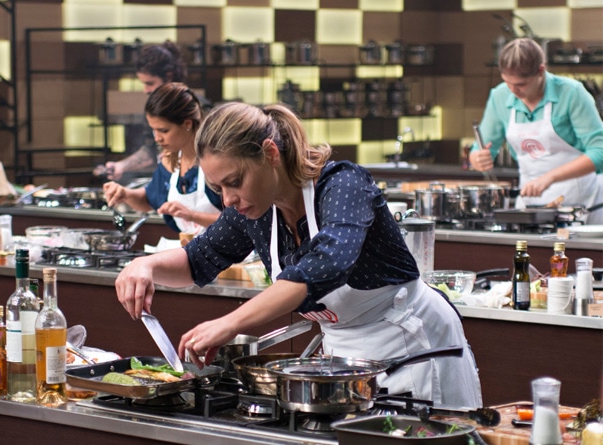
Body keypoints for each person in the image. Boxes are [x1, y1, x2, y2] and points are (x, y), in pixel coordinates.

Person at [115, 101, 484, 409]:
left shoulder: (342, 184)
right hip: (346, 365)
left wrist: (231, 323)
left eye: (234, 181)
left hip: (414, 351)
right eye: (217, 187)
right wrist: (144, 266)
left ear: (270, 154)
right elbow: (197, 260)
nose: (227, 199)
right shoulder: (255, 212)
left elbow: (325, 265)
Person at [469, 37, 603, 224]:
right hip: (529, 205)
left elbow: (599, 151)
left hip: (580, 203)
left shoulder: (571, 93)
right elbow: (479, 150)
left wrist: (549, 178)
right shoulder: (500, 96)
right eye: (508, 83)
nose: (513, 90)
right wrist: (478, 158)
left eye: (521, 85)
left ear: (541, 70)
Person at [103, 83, 222, 233]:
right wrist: (126, 194)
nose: (157, 138)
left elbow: (242, 220)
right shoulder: (170, 162)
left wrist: (192, 216)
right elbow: (149, 200)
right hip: (196, 251)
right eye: (154, 130)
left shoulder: (218, 161)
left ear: (187, 123)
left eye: (163, 130)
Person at [94, 41, 188, 182]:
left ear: (168, 76)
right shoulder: (153, 110)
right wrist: (121, 166)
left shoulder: (194, 108)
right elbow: (150, 151)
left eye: (150, 83)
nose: (146, 90)